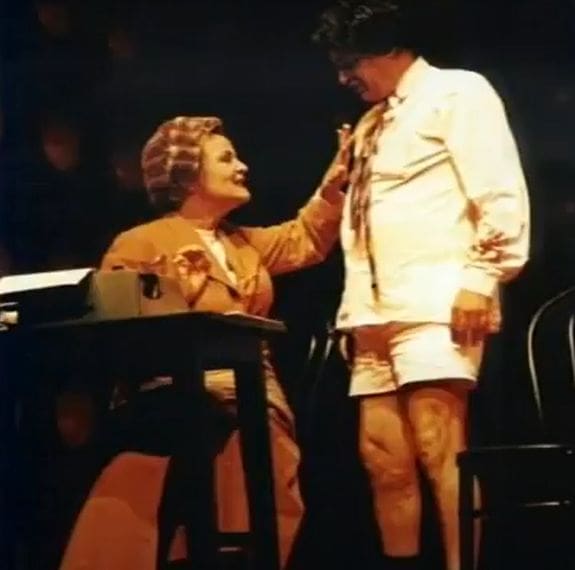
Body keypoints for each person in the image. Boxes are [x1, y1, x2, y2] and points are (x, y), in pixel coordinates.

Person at [59, 115, 351, 569]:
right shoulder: (141, 242)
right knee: (153, 482)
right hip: (170, 394)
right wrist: (182, 295)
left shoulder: (243, 244)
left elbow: (306, 237)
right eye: (227, 158)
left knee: (260, 461)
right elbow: (116, 327)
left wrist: (332, 186)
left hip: (251, 393)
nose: (242, 167)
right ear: (189, 175)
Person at [311, 2, 530, 569]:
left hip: (437, 300)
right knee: (382, 459)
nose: (343, 77)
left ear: (387, 48)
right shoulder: (372, 122)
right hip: (371, 311)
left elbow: (499, 190)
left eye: (350, 63)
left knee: (440, 445)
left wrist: (481, 277)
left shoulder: (458, 92)